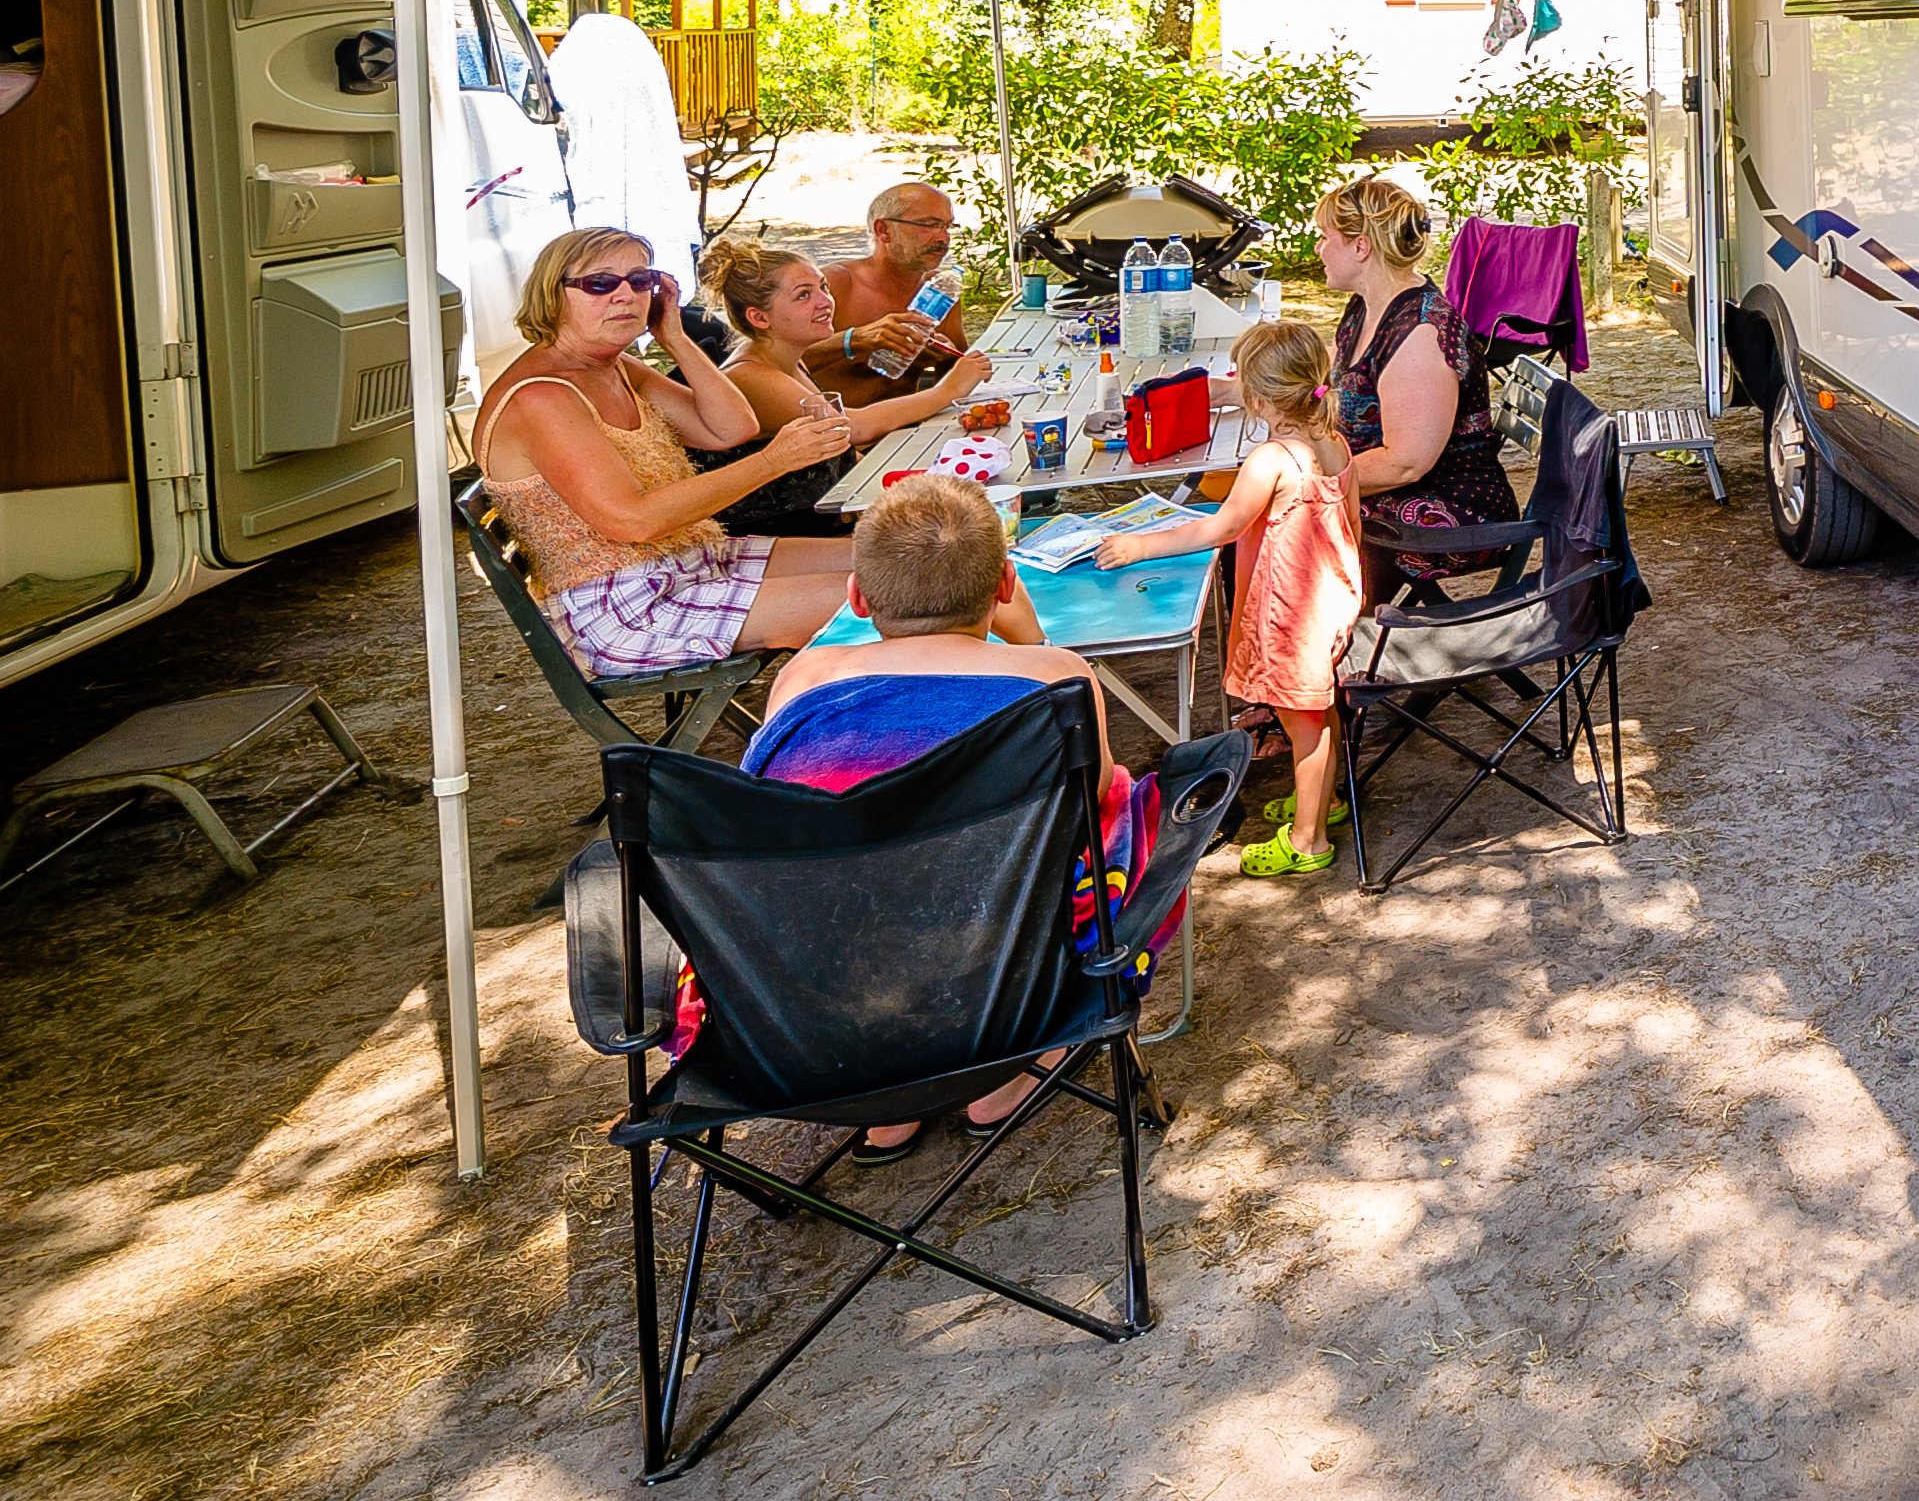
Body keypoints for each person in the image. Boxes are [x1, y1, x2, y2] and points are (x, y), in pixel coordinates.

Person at [731, 481, 1157, 1157]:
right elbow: (1091, 804)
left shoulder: (806, 679)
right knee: (1129, 807)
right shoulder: (1054, 679)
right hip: (1000, 965)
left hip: (829, 988)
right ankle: (1013, 1072)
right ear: (1006, 585)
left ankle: (890, 1106)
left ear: (857, 598)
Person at [468, 227, 955, 679]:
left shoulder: (613, 366)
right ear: (553, 296)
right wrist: (773, 461)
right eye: (599, 283)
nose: (625, 295)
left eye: (641, 280)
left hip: (692, 561)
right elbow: (632, 522)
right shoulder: (542, 397)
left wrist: (674, 336)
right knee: (918, 594)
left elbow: (729, 427)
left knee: (921, 558)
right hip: (630, 605)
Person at [1092, 321, 1367, 878]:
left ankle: (1309, 839)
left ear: (1259, 398)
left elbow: (1221, 529)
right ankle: (1327, 802)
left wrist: (1140, 545)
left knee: (1303, 722)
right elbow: (1354, 522)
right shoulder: (1334, 445)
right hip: (1329, 596)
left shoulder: (1271, 459)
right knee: (1321, 707)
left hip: (1291, 608)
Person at [695, 238, 997, 532]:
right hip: (786, 534)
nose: (825, 301)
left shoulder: (785, 359)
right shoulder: (750, 377)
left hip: (830, 511)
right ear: (759, 317)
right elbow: (852, 427)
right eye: (803, 295)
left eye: (823, 287)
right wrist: (949, 390)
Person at [1316, 173, 1520, 553]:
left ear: (1361, 247)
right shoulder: (1366, 305)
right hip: (1391, 492)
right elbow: (1328, 382)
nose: (1318, 249)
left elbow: (1405, 463)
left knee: (1274, 522)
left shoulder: (1421, 333)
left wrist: (1308, 480)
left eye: (1325, 237)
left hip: (1446, 512)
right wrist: (1246, 392)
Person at [813, 182, 973, 409]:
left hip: (909, 426)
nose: (943, 238)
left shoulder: (940, 292)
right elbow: (771, 365)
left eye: (947, 226)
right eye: (929, 225)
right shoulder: (835, 283)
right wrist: (852, 341)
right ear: (884, 231)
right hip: (841, 433)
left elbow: (960, 370)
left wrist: (944, 356)